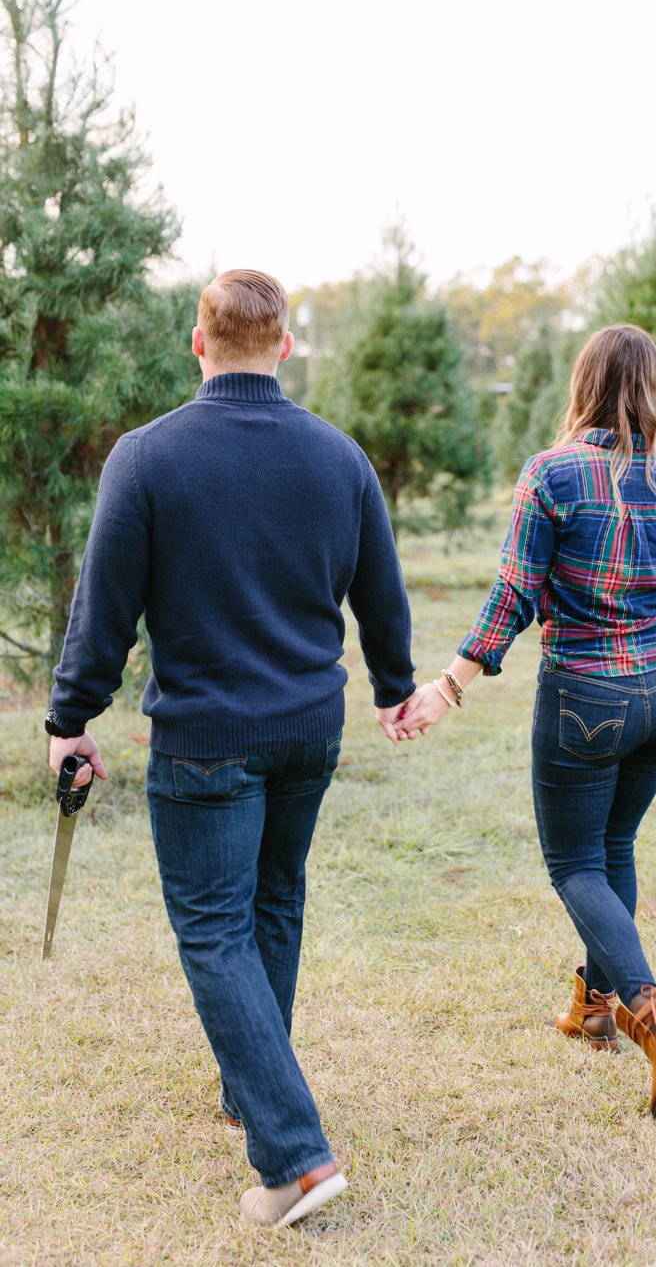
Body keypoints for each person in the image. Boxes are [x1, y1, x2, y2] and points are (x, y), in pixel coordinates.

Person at [45, 269, 418, 1227]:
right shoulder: (339, 458)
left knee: (215, 929)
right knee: (274, 901)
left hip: (207, 737)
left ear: (198, 344)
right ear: (284, 346)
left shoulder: (148, 457)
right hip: (308, 730)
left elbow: (105, 609)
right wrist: (395, 687)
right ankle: (251, 1089)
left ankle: (295, 1157)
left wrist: (70, 719)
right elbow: (382, 593)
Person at [400, 323, 656, 1120]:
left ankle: (650, 1010)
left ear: (584, 385)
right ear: (655, 389)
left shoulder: (552, 474)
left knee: (575, 863)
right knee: (613, 848)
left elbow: (515, 597)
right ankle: (594, 1010)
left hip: (587, 698)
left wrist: (448, 686)